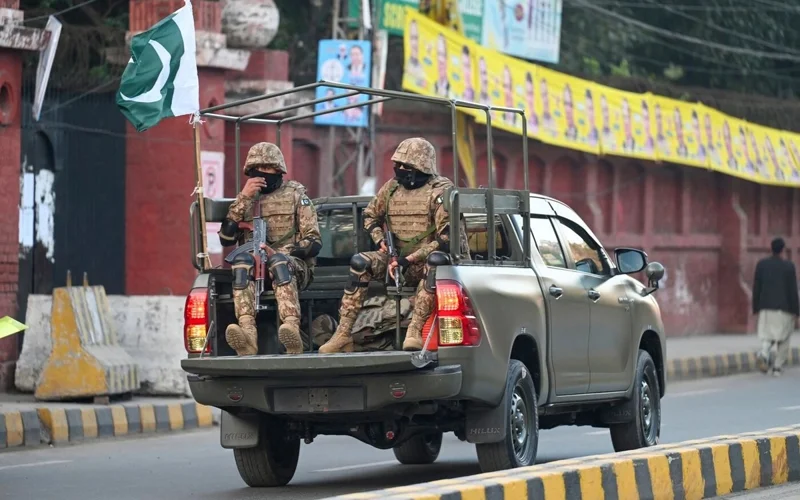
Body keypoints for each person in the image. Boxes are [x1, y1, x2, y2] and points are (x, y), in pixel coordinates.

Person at [318, 138, 454, 354]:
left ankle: (415, 331)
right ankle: (343, 334)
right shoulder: (391, 188)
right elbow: (370, 215)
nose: (400, 170)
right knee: (360, 261)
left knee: (436, 262)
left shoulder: (440, 190)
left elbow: (446, 238)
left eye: (406, 166)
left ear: (421, 167)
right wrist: (380, 239)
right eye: (397, 165)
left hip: (423, 263)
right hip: (394, 259)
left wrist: (408, 259)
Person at [218, 142, 322, 356]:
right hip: (256, 269)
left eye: (268, 170)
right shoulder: (246, 200)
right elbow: (226, 238)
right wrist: (244, 198)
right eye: (258, 170)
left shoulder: (296, 195)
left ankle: (291, 330)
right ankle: (247, 335)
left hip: (294, 267)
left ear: (279, 171)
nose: (262, 174)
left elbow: (313, 242)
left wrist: (284, 252)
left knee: (278, 262)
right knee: (241, 263)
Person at [752, 237, 799, 377]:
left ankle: (764, 352)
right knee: (783, 338)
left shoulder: (761, 265)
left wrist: (755, 307)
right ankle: (777, 367)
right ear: (783, 250)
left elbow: (757, 287)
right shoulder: (789, 266)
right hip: (783, 309)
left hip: (765, 307)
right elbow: (792, 291)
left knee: (767, 335)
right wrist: (797, 311)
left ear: (771, 249)